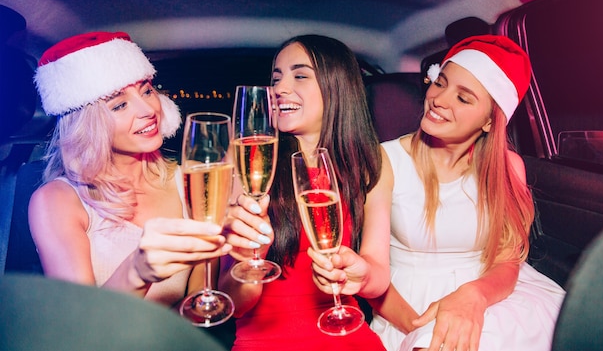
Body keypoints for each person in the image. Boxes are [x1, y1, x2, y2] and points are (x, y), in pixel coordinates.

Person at [309, 35, 566, 351]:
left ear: (489, 120)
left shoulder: (509, 166)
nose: (439, 99)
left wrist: (474, 296)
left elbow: (508, 260)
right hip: (407, 308)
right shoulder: (385, 161)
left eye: (463, 98)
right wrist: (426, 329)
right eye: (440, 83)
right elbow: (373, 271)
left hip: (496, 296)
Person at [29, 31, 232, 307]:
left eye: (147, 90)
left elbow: (199, 306)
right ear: (89, 126)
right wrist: (136, 271)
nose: (148, 109)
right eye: (120, 104)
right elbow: (78, 327)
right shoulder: (57, 201)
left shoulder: (187, 182)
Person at [219, 34, 389, 351]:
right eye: (276, 78)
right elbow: (234, 303)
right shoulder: (251, 159)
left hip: (346, 332)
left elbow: (379, 273)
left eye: (299, 75)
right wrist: (248, 258)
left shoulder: (368, 162)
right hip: (264, 341)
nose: (280, 88)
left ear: (337, 85)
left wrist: (360, 274)